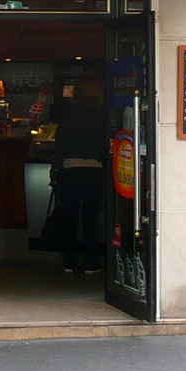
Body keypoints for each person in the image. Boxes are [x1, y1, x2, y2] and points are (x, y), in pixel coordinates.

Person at [52, 78, 106, 275]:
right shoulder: (102, 116)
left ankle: (69, 261)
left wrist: (55, 171)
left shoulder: (69, 116)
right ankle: (91, 263)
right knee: (90, 219)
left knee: (70, 218)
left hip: (71, 170)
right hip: (94, 170)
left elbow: (61, 145)